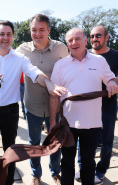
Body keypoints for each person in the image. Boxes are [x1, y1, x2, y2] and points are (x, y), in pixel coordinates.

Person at [0, 20, 66, 185]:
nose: (5, 38)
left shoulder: (19, 58)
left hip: (10, 111)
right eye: (2, 34)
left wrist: (50, 83)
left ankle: (8, 181)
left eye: (9, 34)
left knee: (10, 151)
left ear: (12, 37)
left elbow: (35, 72)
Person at [50, 27, 118, 185]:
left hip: (92, 123)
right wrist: (53, 122)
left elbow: (110, 79)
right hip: (68, 124)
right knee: (67, 162)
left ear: (85, 41)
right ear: (67, 43)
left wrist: (111, 84)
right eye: (70, 40)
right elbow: (54, 95)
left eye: (77, 39)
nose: (74, 43)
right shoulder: (60, 65)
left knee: (88, 163)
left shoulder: (99, 61)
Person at [16, 14, 69, 185]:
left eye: (41, 30)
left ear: (49, 30)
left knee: (55, 141)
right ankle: (36, 174)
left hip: (57, 106)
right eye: (34, 30)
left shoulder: (61, 48)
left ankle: (55, 172)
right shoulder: (22, 50)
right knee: (34, 142)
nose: (37, 34)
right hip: (32, 106)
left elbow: (70, 72)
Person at [75, 25, 118, 185]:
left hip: (107, 105)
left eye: (98, 35)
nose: (94, 39)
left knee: (106, 141)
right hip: (86, 105)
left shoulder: (115, 56)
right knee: (83, 138)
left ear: (107, 37)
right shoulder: (83, 55)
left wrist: (111, 81)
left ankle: (100, 170)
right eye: (92, 36)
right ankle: (84, 167)